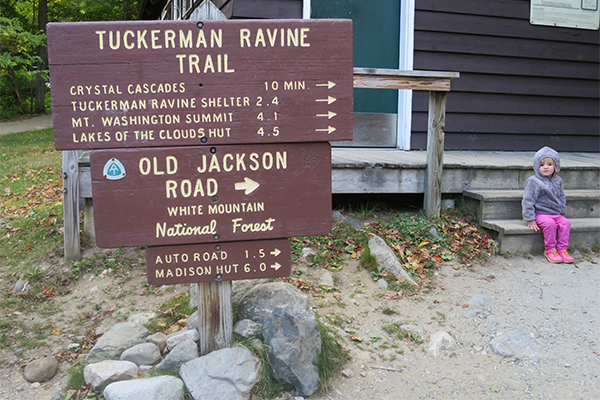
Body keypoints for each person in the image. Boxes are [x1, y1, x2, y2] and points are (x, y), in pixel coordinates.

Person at [522, 146, 574, 263]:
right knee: (550, 224)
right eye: (542, 165)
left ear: (556, 166)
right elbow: (528, 200)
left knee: (566, 223)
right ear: (536, 166)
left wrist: (562, 210)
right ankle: (550, 249)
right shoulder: (533, 181)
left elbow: (561, 196)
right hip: (541, 213)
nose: (546, 167)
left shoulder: (558, 180)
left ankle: (562, 249)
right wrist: (530, 219)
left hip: (556, 213)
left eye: (549, 164)